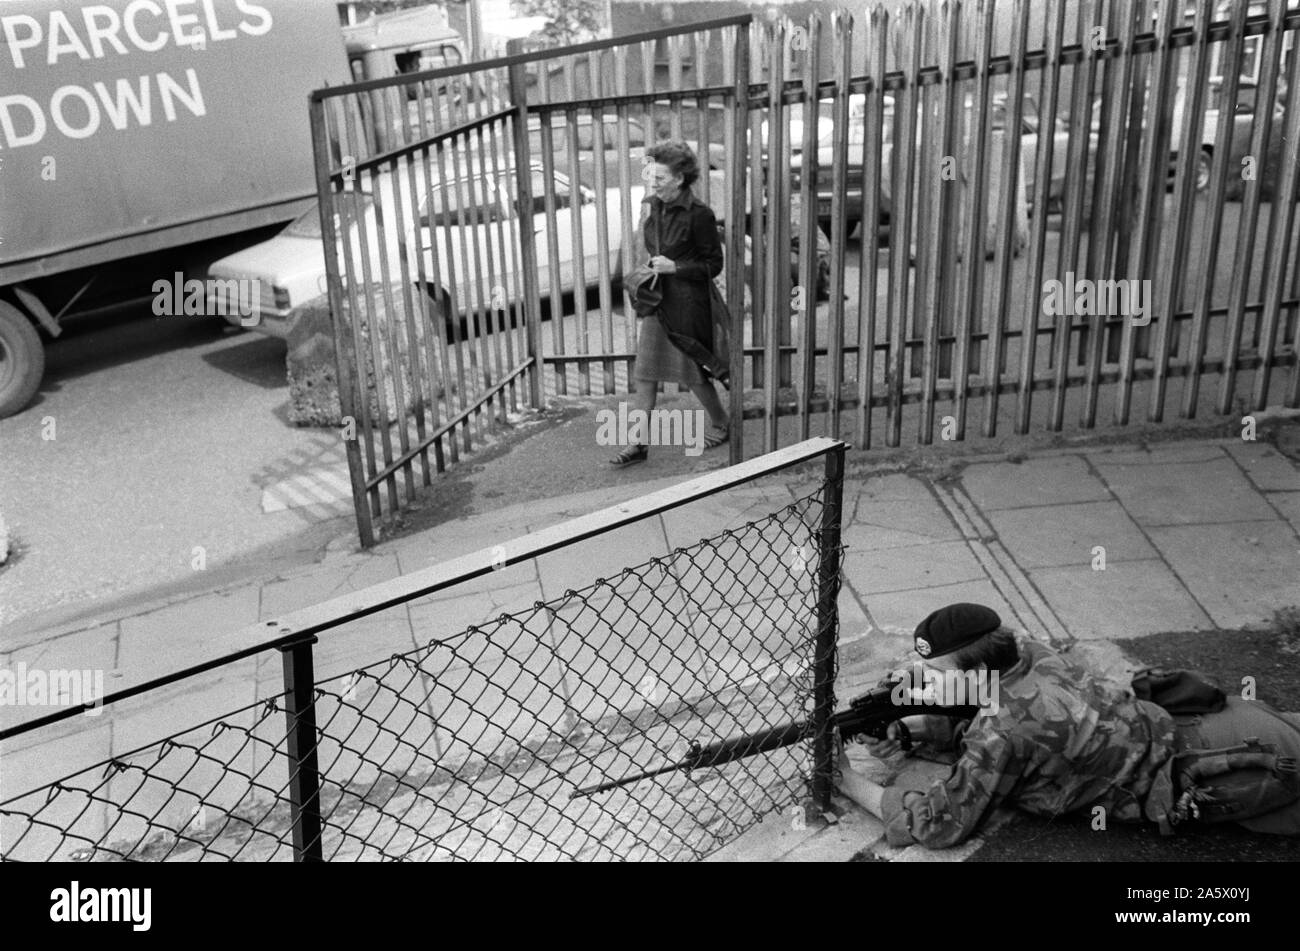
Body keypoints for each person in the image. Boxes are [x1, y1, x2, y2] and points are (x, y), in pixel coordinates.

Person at [836, 602, 1300, 849]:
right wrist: (919, 729)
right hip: (1227, 724)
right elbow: (1028, 730)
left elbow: (938, 825)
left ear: (977, 676)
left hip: (1231, 768)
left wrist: (845, 780)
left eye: (935, 674)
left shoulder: (1000, 730)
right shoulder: (1032, 653)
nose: (925, 684)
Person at [610, 140, 730, 468]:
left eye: (660, 177)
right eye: (651, 175)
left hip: (687, 304)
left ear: (679, 178)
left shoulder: (699, 215)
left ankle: (721, 422)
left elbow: (713, 265)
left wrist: (676, 267)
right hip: (657, 301)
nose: (653, 182)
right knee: (646, 374)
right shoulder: (653, 206)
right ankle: (637, 443)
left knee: (691, 374)